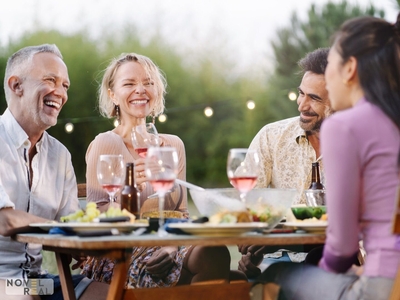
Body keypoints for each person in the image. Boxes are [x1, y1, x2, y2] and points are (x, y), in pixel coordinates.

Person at [256, 14, 400, 300]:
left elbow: (343, 245)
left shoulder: (345, 125)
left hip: (382, 286)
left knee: (274, 276)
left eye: (331, 64)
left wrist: (326, 270)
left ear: (350, 69)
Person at [81, 52, 233, 288]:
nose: (141, 89)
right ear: (112, 94)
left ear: (157, 91)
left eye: (148, 82)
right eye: (129, 83)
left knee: (215, 253)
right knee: (224, 277)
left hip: (168, 243)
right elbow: (98, 213)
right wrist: (128, 193)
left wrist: (171, 245)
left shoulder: (173, 146)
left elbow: (180, 213)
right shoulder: (106, 143)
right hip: (122, 251)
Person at [0, 44, 108, 299]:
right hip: (3, 282)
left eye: (65, 86)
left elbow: (68, 224)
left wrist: (79, 245)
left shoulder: (60, 155)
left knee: (111, 294)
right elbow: (5, 220)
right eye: (50, 80)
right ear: (16, 86)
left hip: (37, 282)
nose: (60, 93)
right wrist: (63, 231)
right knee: (23, 295)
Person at [238, 48, 333, 278]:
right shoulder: (271, 136)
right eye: (301, 93)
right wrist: (253, 243)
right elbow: (248, 207)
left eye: (314, 98)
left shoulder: (358, 145)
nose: (301, 104)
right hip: (273, 258)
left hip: (333, 261)